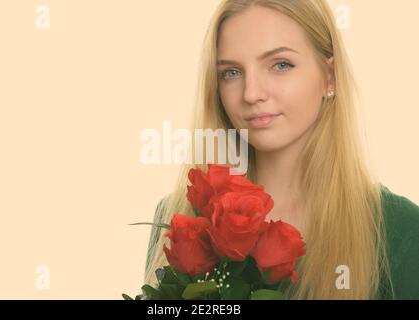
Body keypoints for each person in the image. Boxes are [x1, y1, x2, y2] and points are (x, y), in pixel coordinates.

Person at [144, 0, 419, 299]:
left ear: (330, 76)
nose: (251, 93)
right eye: (231, 73)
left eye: (280, 65)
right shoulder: (181, 219)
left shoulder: (402, 233)